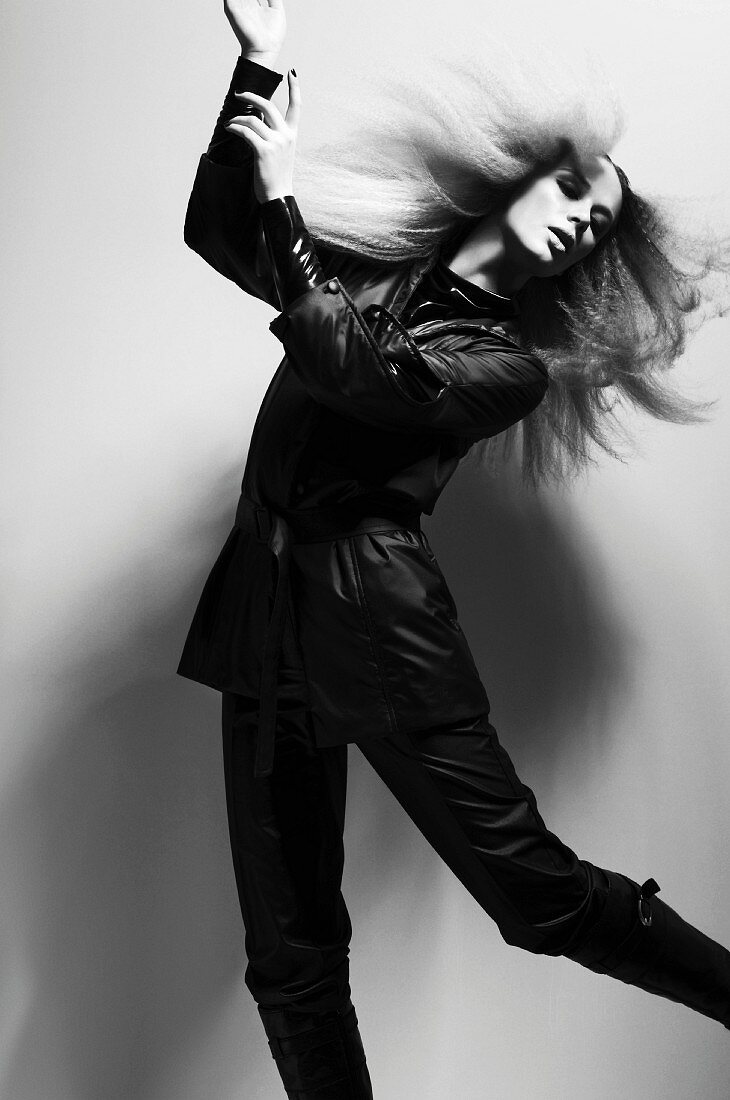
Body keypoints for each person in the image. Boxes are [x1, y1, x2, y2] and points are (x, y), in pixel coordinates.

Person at [177, 2, 730, 1096]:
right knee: (288, 957)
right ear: (518, 172)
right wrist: (260, 69)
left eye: (602, 220)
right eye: (576, 187)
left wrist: (287, 191)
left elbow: (357, 370)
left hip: (383, 634)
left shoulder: (504, 364)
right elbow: (226, 235)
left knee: (537, 898)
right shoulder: (373, 271)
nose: (583, 219)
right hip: (265, 619)